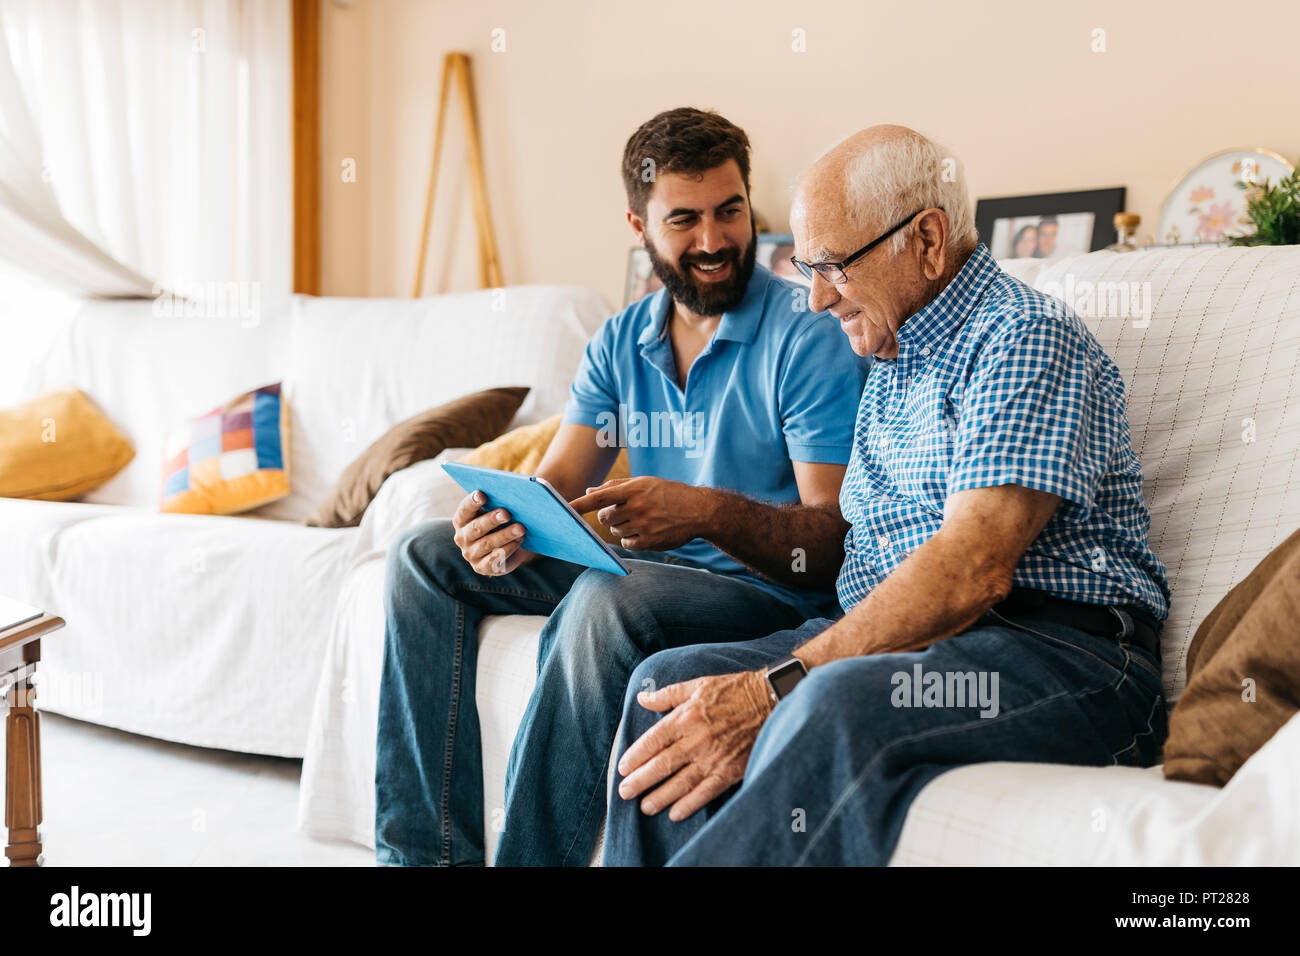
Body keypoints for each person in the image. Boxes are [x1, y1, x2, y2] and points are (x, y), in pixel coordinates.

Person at [603, 124, 1170, 866]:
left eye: (832, 266)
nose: (813, 299)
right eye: (806, 268)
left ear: (928, 240)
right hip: (920, 643)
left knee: (829, 705)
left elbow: (973, 568)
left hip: (1062, 653)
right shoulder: (889, 349)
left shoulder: (1022, 339)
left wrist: (776, 686)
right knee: (666, 683)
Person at [374, 107, 869, 866]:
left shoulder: (805, 335)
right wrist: (495, 523)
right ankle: (425, 858)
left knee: (609, 599)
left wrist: (705, 513)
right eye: (685, 220)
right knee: (421, 559)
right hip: (647, 570)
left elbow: (829, 542)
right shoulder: (620, 341)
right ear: (639, 226)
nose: (713, 241)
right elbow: (557, 487)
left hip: (770, 592)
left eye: (729, 211)